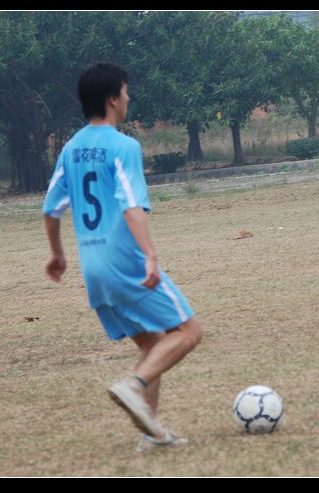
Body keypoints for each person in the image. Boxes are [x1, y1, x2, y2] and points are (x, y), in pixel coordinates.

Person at [42, 62, 202, 452]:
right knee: (189, 332)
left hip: (93, 269)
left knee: (154, 346)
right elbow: (131, 206)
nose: (129, 98)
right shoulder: (124, 146)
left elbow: (50, 208)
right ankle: (133, 385)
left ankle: (153, 435)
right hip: (124, 261)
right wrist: (150, 255)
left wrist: (57, 254)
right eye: (126, 92)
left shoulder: (71, 148)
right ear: (113, 99)